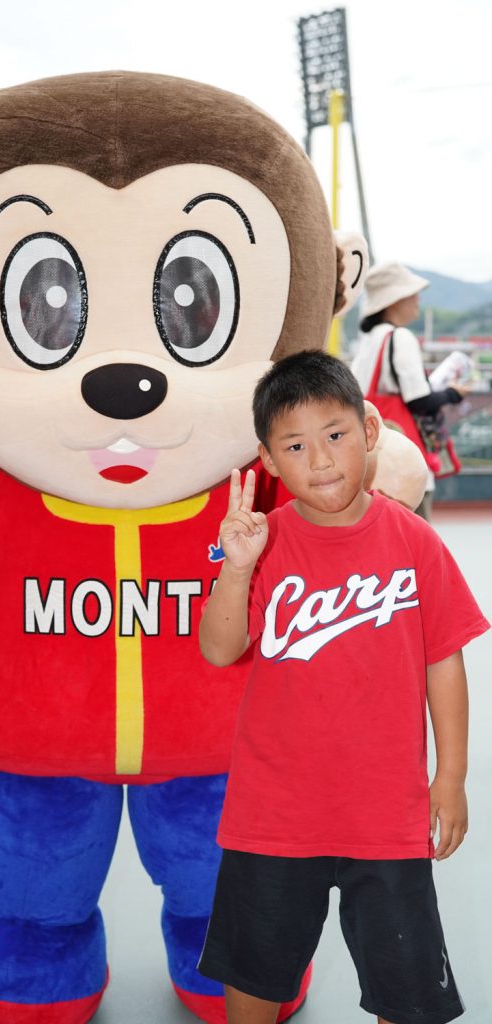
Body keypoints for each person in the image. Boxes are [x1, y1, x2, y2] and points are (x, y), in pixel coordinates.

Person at [197, 350, 488, 1024]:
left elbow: (443, 661)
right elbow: (219, 648)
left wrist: (450, 776)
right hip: (272, 812)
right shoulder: (262, 544)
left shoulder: (414, 542)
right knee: (254, 972)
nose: (321, 460)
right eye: (295, 446)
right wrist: (235, 570)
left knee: (406, 986)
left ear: (369, 429)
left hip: (386, 811)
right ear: (268, 460)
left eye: (334, 434)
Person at [351, 261, 469, 520]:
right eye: (411, 294)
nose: (417, 299)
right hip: (401, 461)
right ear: (394, 301)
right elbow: (419, 400)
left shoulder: (368, 341)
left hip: (370, 461)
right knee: (413, 531)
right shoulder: (400, 337)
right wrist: (452, 393)